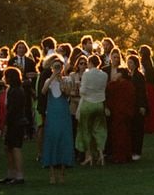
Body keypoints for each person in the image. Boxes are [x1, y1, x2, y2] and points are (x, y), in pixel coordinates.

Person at [39, 57, 74, 185]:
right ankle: (52, 173)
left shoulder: (66, 79)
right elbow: (43, 91)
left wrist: (61, 80)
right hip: (52, 113)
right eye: (55, 66)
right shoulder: (49, 80)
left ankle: (63, 172)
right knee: (52, 139)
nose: (58, 68)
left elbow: (68, 93)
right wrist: (53, 76)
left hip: (63, 113)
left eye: (59, 66)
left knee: (64, 140)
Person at [77, 54, 109, 165]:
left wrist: (80, 88)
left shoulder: (86, 74)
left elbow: (82, 91)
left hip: (87, 103)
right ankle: (101, 155)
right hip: (99, 103)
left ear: (90, 62)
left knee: (86, 130)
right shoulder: (104, 75)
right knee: (99, 129)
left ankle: (89, 155)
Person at [0, 65, 27, 186]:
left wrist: (6, 125)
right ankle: (11, 174)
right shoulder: (15, 90)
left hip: (15, 123)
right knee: (9, 148)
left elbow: (12, 110)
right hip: (16, 122)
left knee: (15, 148)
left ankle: (19, 175)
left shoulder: (15, 91)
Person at [104, 67, 136, 164]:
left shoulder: (116, 85)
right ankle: (127, 154)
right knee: (126, 134)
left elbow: (109, 89)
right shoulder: (130, 85)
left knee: (118, 135)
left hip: (118, 112)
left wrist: (113, 79)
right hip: (127, 112)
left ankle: (119, 156)